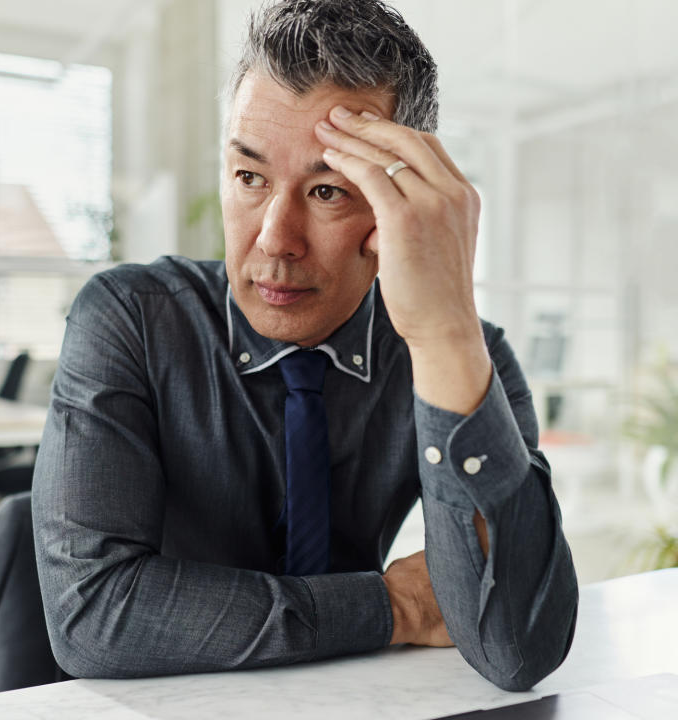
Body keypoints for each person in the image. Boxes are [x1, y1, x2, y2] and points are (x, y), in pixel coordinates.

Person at [32, 0, 577, 692]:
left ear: (398, 206)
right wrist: (393, 605)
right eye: (250, 178)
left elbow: (518, 650)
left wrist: (443, 334)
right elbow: (95, 618)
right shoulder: (133, 319)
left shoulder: (466, 356)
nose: (273, 239)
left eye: (327, 191)